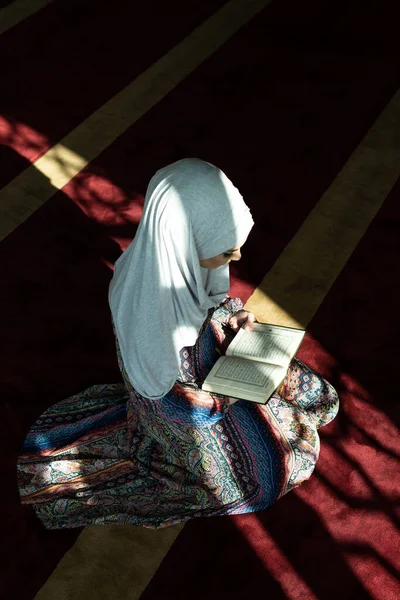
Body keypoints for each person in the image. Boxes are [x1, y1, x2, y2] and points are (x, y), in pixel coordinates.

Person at [17, 158, 339, 529]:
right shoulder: (150, 312)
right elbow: (170, 404)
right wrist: (229, 394)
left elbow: (210, 302)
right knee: (272, 469)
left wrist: (232, 317)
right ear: (187, 239)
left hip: (209, 364)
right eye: (226, 250)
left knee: (318, 396)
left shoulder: (176, 258)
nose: (236, 258)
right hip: (181, 411)